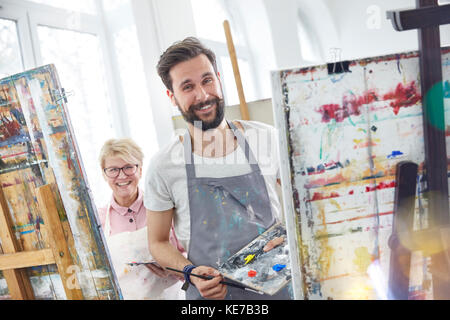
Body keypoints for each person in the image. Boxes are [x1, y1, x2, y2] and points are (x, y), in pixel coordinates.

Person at [144, 37, 292, 300]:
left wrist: (291, 238)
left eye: (207, 80)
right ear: (172, 96)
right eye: (187, 87)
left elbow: (303, 206)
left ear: (219, 79)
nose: (202, 95)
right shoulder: (163, 165)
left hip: (278, 291)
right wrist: (189, 273)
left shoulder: (268, 140)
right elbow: (157, 241)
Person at [98, 138, 185, 300]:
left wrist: (174, 268)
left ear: (140, 170)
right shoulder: (98, 220)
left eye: (128, 167)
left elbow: (189, 256)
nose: (122, 176)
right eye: (113, 170)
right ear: (104, 174)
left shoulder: (165, 209)